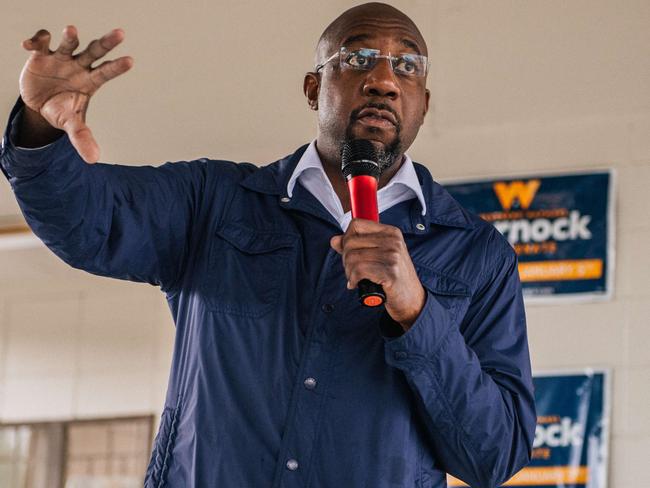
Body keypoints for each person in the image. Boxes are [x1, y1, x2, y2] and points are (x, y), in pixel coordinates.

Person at [1, 3, 536, 487]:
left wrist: (418, 313)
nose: (382, 80)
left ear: (422, 102)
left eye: (407, 66)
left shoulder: (476, 254)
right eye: (358, 58)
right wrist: (38, 131)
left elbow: (494, 455)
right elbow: (88, 222)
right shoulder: (214, 202)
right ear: (311, 89)